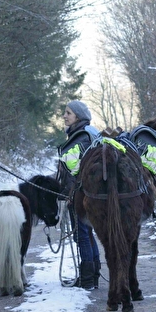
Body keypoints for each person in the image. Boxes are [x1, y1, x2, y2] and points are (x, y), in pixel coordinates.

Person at [57, 100, 100, 290]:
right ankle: (94, 274)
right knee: (88, 234)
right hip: (92, 195)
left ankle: (87, 278)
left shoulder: (80, 137)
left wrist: (69, 195)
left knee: (82, 235)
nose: (65, 116)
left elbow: (74, 172)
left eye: (68, 113)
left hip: (81, 196)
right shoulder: (89, 134)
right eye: (65, 113)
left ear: (78, 117)